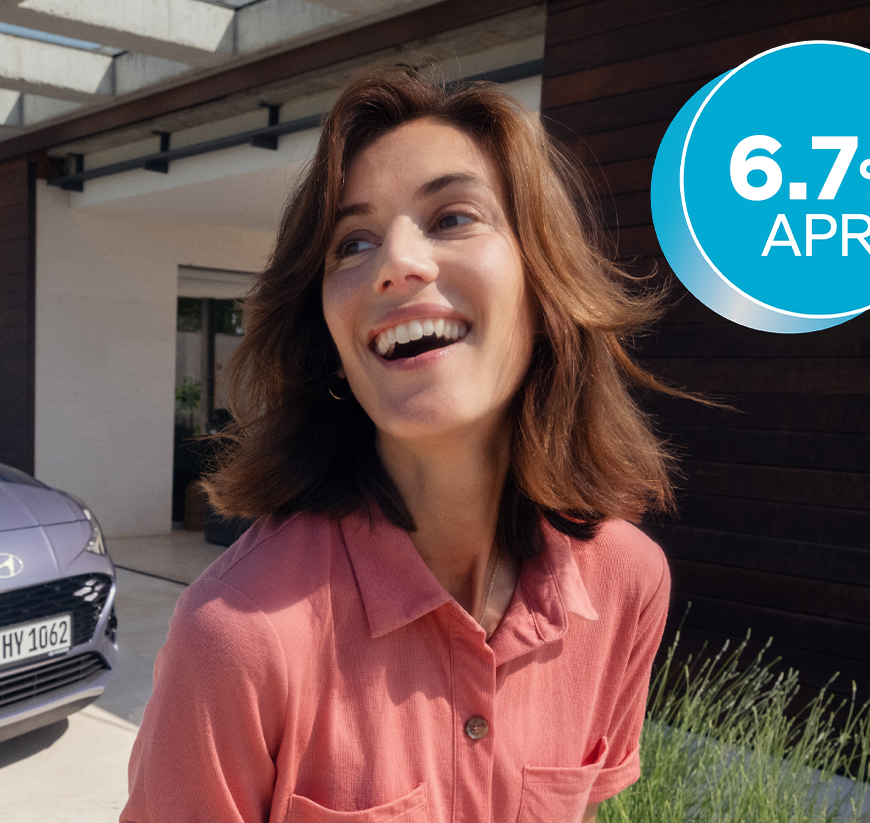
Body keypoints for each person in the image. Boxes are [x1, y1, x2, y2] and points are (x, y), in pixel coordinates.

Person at [122, 66, 702, 823]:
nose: (396, 263)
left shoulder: (629, 581)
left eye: (454, 217)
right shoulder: (235, 635)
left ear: (544, 283)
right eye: (352, 242)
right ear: (331, 340)